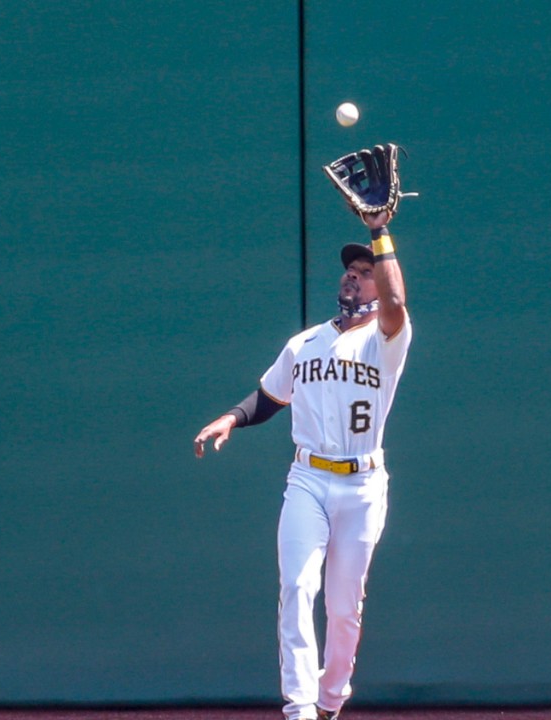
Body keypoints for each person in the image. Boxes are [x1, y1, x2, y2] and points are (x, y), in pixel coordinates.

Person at [194, 209, 412, 720]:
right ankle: (300, 707)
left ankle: (333, 697)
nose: (352, 277)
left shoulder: (386, 340)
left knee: (343, 611)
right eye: (350, 271)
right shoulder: (304, 343)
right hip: (308, 479)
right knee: (296, 586)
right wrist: (231, 418)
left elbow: (397, 301)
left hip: (362, 486)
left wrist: (379, 232)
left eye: (364, 273)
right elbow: (270, 397)